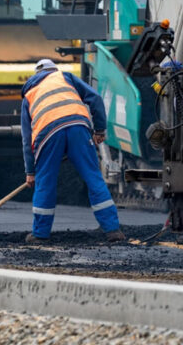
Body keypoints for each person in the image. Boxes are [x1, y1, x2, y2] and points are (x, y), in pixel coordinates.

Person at [21, 59, 124, 243]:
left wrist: (30, 172)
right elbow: (96, 99)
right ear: (54, 70)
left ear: (36, 75)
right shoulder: (65, 77)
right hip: (78, 126)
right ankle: (112, 230)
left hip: (47, 134)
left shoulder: (29, 93)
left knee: (45, 182)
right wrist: (99, 129)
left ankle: (40, 234)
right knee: (94, 178)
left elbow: (27, 138)